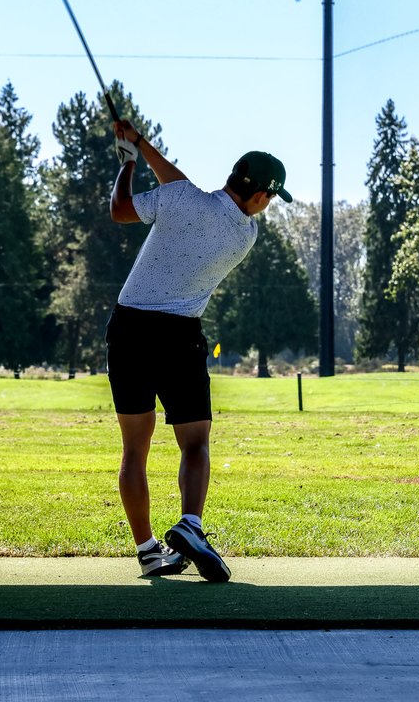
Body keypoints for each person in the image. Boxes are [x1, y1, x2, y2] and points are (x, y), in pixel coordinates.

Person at [106, 118, 291, 582]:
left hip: (129, 328)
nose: (268, 205)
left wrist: (128, 161)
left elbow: (122, 210)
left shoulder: (182, 200)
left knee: (135, 449)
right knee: (195, 443)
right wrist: (143, 145)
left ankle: (148, 550)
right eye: (271, 197)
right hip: (178, 337)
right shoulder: (244, 235)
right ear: (260, 195)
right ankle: (190, 524)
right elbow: (186, 193)